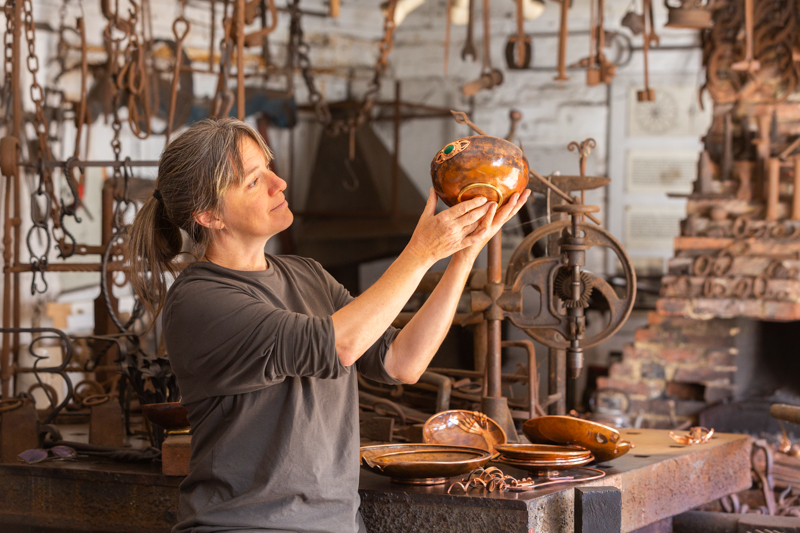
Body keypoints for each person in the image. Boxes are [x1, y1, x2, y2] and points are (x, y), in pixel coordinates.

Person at [129, 117, 530, 533]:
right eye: (254, 181)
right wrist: (422, 251)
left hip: (336, 524)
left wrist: (464, 253)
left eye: (269, 168)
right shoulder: (199, 300)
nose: (279, 183)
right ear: (210, 215)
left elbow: (402, 362)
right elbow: (341, 345)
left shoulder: (307, 274)